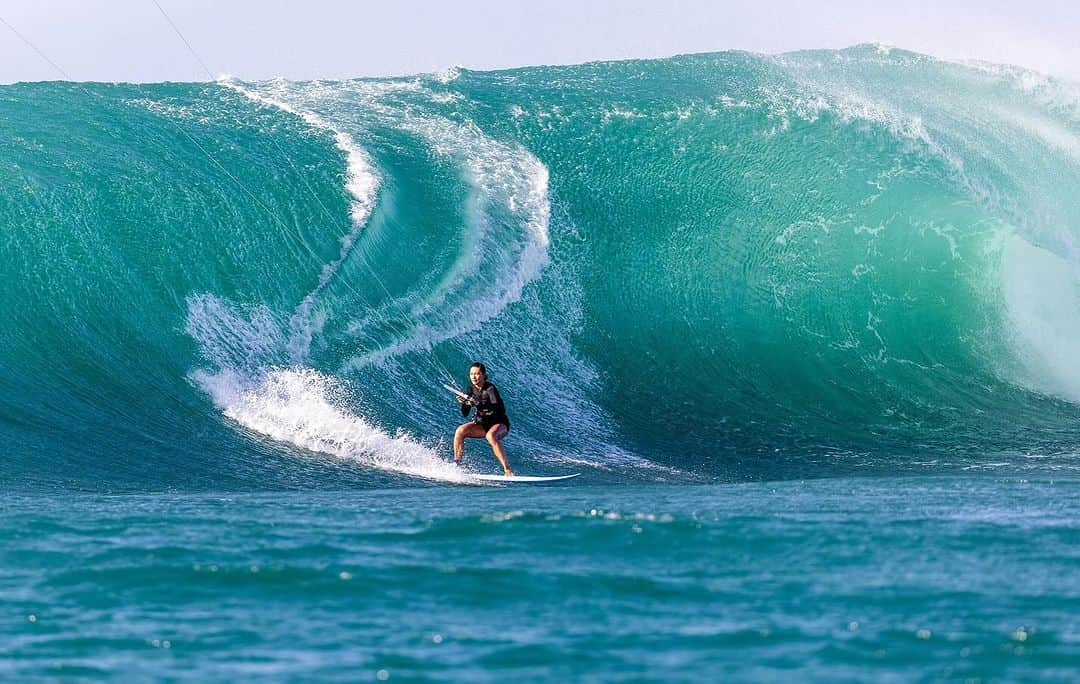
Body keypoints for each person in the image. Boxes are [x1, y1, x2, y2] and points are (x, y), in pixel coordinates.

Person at [453, 362, 513, 475]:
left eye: (477, 374)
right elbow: (464, 413)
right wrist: (465, 403)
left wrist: (478, 402)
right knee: (460, 431)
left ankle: (507, 469)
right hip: (482, 425)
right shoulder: (469, 390)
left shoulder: (490, 389)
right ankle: (457, 465)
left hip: (499, 423)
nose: (474, 377)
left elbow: (496, 408)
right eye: (471, 374)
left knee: (491, 436)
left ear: (483, 375)